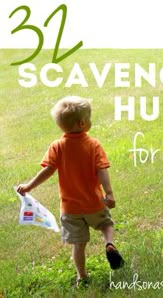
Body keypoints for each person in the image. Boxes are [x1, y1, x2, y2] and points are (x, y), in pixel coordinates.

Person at [17, 96, 124, 286]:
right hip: (94, 203)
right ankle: (109, 243)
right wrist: (109, 193)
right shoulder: (93, 145)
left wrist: (29, 186)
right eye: (89, 118)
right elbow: (102, 170)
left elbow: (47, 170)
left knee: (78, 245)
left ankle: (82, 276)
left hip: (70, 209)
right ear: (83, 123)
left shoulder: (57, 147)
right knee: (106, 224)